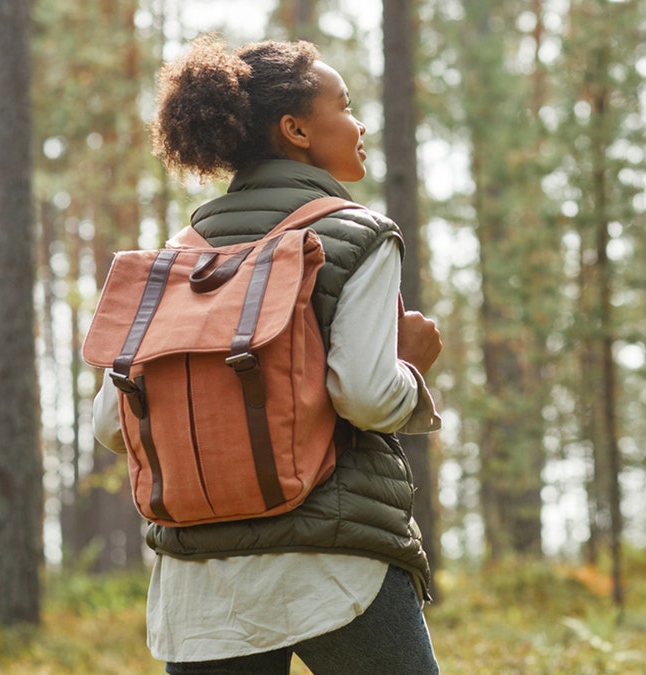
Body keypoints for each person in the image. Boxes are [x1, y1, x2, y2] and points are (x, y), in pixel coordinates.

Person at [92, 36, 443, 674]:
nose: (360, 122)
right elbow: (364, 396)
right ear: (297, 129)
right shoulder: (355, 233)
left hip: (201, 590)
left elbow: (111, 424)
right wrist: (412, 366)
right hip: (335, 565)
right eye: (345, 104)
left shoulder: (178, 257)